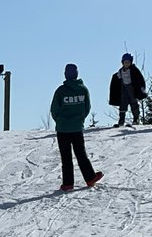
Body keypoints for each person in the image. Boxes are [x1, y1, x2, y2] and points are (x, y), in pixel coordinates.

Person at [50, 63, 104, 192]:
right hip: (76, 128)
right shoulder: (83, 89)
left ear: (65, 74)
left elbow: (54, 109)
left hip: (63, 128)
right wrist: (79, 120)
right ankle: (90, 177)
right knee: (81, 154)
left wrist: (59, 120)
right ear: (77, 74)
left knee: (66, 156)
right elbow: (87, 107)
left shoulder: (61, 91)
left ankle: (68, 183)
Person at [108, 53, 146, 126]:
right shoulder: (120, 71)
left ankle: (136, 119)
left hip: (132, 90)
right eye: (125, 62)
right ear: (122, 63)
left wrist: (141, 90)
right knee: (123, 104)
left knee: (134, 104)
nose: (126, 64)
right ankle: (121, 120)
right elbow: (117, 80)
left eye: (128, 62)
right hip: (123, 89)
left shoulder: (134, 70)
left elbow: (140, 80)